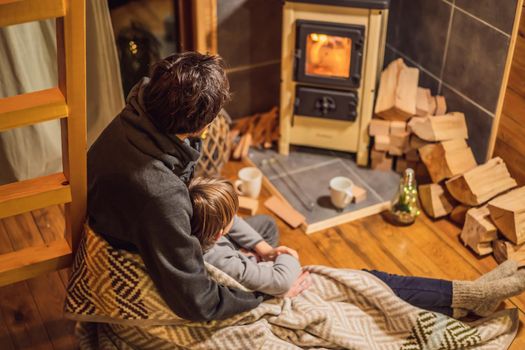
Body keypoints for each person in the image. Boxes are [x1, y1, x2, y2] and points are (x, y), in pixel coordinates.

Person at [87, 52, 307, 322]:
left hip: (146, 218)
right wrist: (264, 298)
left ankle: (250, 257)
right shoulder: (160, 194)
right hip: (138, 243)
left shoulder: (141, 108)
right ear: (201, 125)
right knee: (254, 250)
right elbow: (197, 302)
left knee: (265, 227)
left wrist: (261, 249)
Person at [188, 176, 525, 319]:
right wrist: (288, 258)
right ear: (218, 230)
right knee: (372, 284)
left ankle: (472, 298)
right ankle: (471, 296)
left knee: (267, 226)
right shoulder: (220, 259)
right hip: (284, 287)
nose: (237, 220)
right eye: (231, 217)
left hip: (255, 269)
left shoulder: (199, 228)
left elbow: (248, 229)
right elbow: (281, 282)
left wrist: (262, 248)